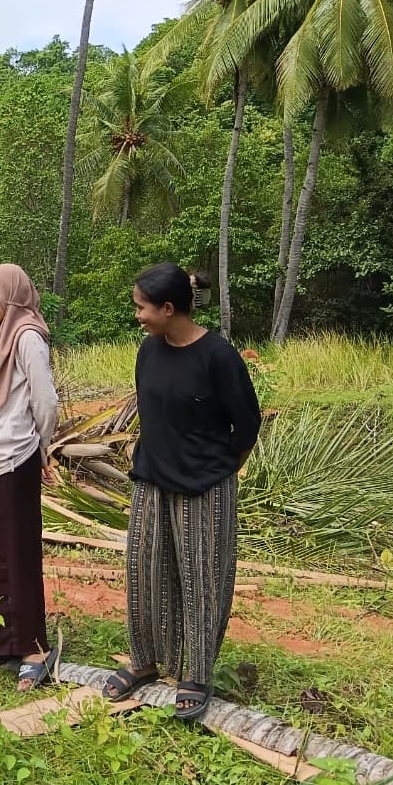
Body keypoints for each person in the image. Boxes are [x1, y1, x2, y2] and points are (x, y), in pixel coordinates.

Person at [102, 262, 261, 721]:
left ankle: (196, 672)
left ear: (169, 308)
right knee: (146, 574)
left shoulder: (218, 356)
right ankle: (146, 661)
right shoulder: (149, 351)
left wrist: (223, 468)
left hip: (205, 486)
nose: (138, 316)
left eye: (142, 307)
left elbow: (246, 424)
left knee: (201, 581)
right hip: (151, 479)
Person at [0, 264, 61, 691]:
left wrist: (40, 445)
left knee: (15, 551)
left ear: (13, 293)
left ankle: (33, 647)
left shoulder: (27, 337)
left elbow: (46, 401)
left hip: (15, 457)